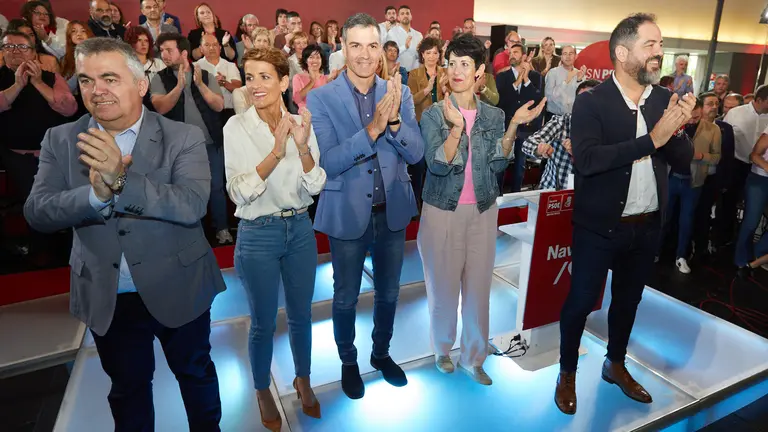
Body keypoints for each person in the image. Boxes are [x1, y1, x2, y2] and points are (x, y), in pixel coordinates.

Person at [24, 36, 225, 431]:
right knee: (128, 390)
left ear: (140, 85)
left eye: (110, 78)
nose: (97, 90)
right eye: (85, 80)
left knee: (196, 374)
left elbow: (190, 205)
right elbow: (38, 211)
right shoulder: (60, 140)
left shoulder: (181, 136)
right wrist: (95, 197)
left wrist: (120, 182)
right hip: (109, 294)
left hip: (179, 284)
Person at [556, 13, 695, 415]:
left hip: (647, 226)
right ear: (622, 53)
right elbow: (587, 160)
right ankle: (567, 372)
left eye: (660, 45)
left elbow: (683, 161)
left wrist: (679, 128)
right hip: (599, 228)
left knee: (628, 302)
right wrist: (651, 139)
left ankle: (615, 364)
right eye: (650, 45)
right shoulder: (591, 103)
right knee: (580, 301)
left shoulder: (665, 101)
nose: (660, 53)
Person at [307, 12, 425, 400]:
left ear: (381, 50)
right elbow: (329, 161)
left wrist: (393, 124)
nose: (364, 54)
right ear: (342, 47)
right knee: (345, 297)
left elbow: (416, 152)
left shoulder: (400, 92)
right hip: (347, 215)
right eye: (355, 45)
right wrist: (373, 128)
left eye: (372, 45)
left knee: (390, 293)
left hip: (392, 213)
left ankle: (381, 353)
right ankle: (348, 361)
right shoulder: (321, 97)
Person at [418, 33, 545, 385]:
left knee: (477, 289)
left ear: (478, 73)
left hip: (484, 210)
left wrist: (514, 126)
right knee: (443, 289)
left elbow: (497, 165)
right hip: (443, 211)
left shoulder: (493, 115)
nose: (456, 70)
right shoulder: (433, 115)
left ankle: (474, 356)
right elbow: (437, 164)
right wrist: (456, 130)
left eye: (464, 64)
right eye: (452, 63)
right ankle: (443, 348)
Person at [224, 47, 326, 432]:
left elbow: (315, 185)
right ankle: (261, 387)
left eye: (265, 76)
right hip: (257, 235)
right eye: (249, 77)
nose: (255, 85)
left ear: (284, 81)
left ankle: (303, 378)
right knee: (262, 322)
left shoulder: (303, 123)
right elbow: (238, 192)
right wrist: (274, 152)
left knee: (302, 316)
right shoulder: (235, 128)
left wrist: (300, 147)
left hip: (299, 230)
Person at [151, 33, 233, 245]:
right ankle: (194, 234)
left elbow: (218, 105)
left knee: (216, 187)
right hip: (177, 146)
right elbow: (160, 107)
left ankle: (222, 229)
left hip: (210, 142)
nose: (164, 54)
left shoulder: (204, 75)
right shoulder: (159, 78)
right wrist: (178, 87)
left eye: (169, 50)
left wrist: (200, 85)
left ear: (184, 52)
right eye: (161, 51)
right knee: (184, 189)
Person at [658, 98, 720, 274]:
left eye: (696, 117)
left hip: (693, 181)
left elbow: (717, 157)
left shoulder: (713, 129)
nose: (692, 120)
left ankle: (681, 256)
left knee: (686, 220)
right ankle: (655, 251)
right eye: (690, 117)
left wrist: (700, 156)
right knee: (664, 217)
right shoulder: (673, 125)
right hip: (671, 178)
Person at [523, 80, 600, 190]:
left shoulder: (608, 127)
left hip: (589, 193)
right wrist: (540, 149)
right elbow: (529, 143)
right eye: (581, 100)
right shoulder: (562, 122)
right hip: (555, 192)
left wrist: (580, 153)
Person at [497, 43, 543, 193]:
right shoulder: (503, 76)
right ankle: (497, 194)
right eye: (510, 52)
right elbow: (501, 100)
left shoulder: (535, 76)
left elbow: (537, 98)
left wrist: (526, 80)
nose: (511, 55)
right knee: (501, 162)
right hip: (505, 126)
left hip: (525, 128)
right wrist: (517, 82)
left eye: (515, 52)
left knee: (519, 165)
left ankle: (515, 195)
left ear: (523, 55)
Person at [407, 36, 446, 121]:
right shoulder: (414, 74)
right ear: (423, 54)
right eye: (428, 53)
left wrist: (444, 89)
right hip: (422, 120)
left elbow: (455, 99)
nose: (432, 56)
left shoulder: (445, 72)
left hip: (443, 120)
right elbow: (410, 101)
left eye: (435, 53)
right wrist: (427, 90)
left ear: (439, 55)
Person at [292, 44, 340, 111]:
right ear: (306, 60)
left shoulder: (327, 79)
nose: (315, 60)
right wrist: (312, 82)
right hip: (306, 116)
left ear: (321, 60)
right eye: (311, 57)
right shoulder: (298, 77)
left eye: (318, 57)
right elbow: (296, 100)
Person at [544, 45, 585, 117]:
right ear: (561, 57)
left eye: (571, 53)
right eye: (565, 54)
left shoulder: (580, 74)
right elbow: (549, 98)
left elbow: (582, 99)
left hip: (573, 116)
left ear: (576, 56)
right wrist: (566, 81)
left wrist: (579, 81)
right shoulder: (553, 73)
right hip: (553, 116)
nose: (568, 56)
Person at [386, 5, 423, 71]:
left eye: (407, 13)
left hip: (415, 74)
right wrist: (405, 47)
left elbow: (420, 58)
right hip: (397, 72)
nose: (405, 15)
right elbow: (390, 55)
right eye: (402, 14)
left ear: (411, 17)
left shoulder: (418, 35)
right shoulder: (392, 33)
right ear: (398, 18)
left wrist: (418, 51)